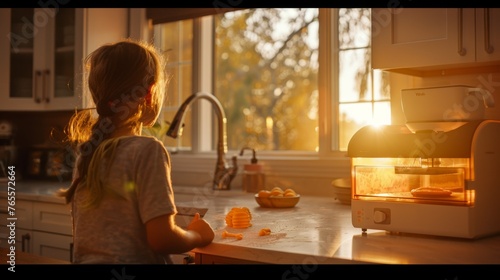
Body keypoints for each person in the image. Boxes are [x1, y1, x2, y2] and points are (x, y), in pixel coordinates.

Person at [57, 39, 215, 264]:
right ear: (149, 92)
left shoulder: (88, 153)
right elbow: (162, 239)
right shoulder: (147, 150)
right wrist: (197, 235)